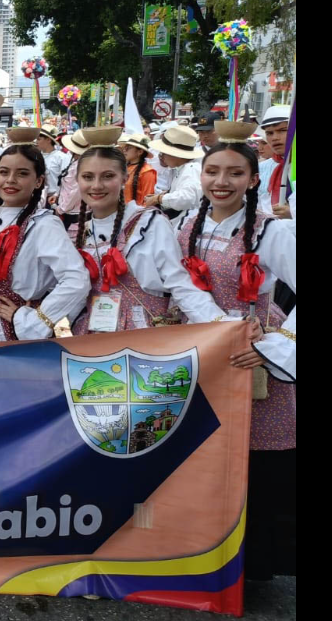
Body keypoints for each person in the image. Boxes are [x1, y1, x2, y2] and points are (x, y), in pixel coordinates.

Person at [172, 121, 295, 581]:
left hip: (249, 355)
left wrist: (275, 349)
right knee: (196, 458)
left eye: (234, 173)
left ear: (253, 179)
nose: (221, 182)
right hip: (197, 356)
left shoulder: (272, 233)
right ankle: (195, 557)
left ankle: (252, 570)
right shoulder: (183, 225)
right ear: (200, 175)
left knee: (252, 462)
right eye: (212, 171)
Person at [66, 126, 222, 335]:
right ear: (78, 181)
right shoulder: (78, 230)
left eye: (107, 176)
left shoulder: (149, 223)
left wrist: (222, 323)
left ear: (124, 179)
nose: (96, 185)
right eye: (87, 177)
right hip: (93, 334)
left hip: (144, 336)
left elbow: (181, 284)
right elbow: (69, 291)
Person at [0, 127, 91, 341]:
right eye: (4, 172)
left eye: (22, 173)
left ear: (38, 181)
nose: (11, 180)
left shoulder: (44, 224)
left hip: (9, 329)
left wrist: (35, 319)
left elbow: (76, 280)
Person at [144, 125, 204, 219]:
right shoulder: (184, 169)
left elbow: (186, 198)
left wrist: (158, 199)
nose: (161, 156)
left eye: (164, 152)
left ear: (177, 154)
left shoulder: (191, 169)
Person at [256, 105, 291, 219]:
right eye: (269, 133)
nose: (275, 138)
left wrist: (293, 212)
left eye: (282, 130)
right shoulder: (261, 168)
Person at [54, 129, 90, 226]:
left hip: (73, 213)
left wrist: (61, 209)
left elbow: (76, 191)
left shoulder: (81, 166)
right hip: (72, 210)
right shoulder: (76, 162)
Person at [117, 133, 158, 205]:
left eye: (128, 147)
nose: (124, 150)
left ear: (140, 152)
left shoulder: (147, 172)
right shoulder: (124, 167)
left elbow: (147, 201)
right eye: (125, 147)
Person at [37, 124, 71, 204]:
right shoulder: (36, 156)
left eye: (39, 139)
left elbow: (66, 180)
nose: (36, 142)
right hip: (39, 198)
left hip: (55, 199)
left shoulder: (62, 157)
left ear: (48, 140)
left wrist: (57, 195)